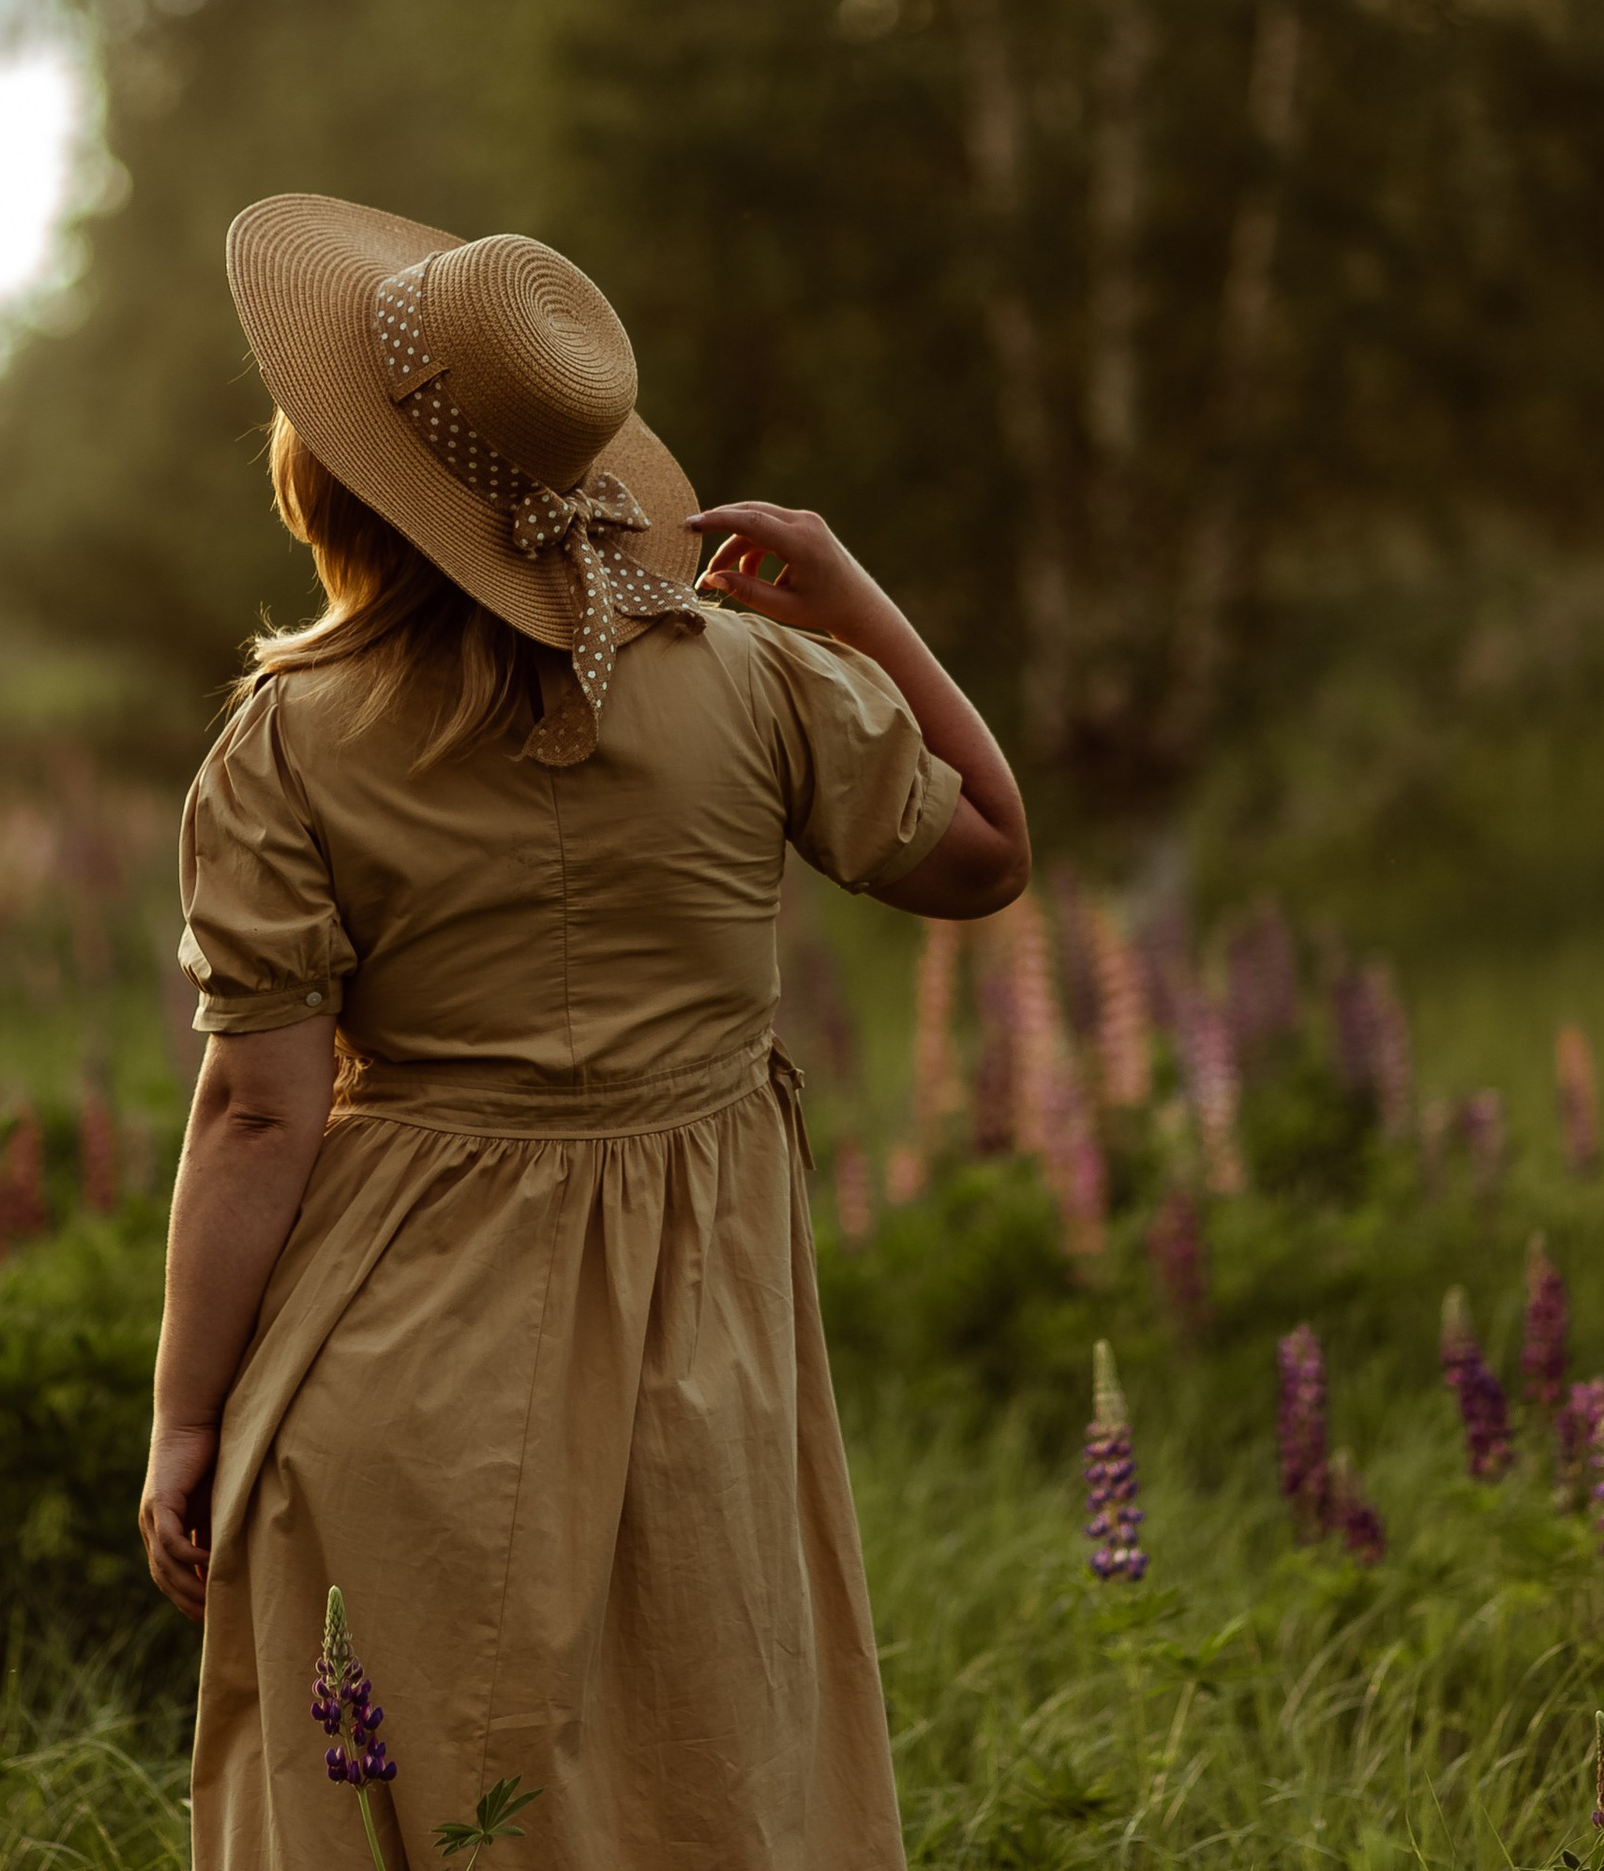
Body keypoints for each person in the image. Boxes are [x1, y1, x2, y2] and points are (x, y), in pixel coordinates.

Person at [142, 195, 1030, 1866]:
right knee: (695, 1773)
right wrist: (853, 598)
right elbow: (989, 850)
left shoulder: (288, 738)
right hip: (700, 1339)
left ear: (332, 481)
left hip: (387, 1343)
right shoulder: (760, 679)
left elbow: (258, 1116)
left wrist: (189, 1417)